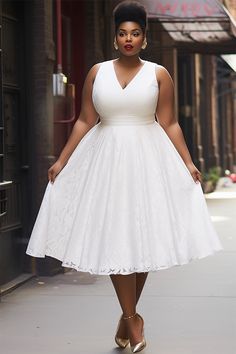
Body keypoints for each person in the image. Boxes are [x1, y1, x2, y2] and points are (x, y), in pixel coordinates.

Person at [26, 0, 223, 352]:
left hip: (149, 160)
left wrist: (189, 162)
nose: (128, 39)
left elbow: (170, 122)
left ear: (144, 39)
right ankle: (133, 320)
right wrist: (62, 159)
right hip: (106, 162)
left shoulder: (159, 73)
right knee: (117, 233)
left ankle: (128, 315)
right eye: (122, 33)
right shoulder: (96, 72)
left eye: (135, 33)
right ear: (114, 38)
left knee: (140, 238)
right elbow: (86, 119)